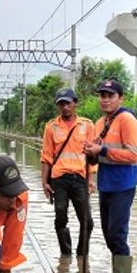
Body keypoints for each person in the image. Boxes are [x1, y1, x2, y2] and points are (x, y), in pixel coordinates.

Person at [83, 78, 137, 273]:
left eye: (110, 96)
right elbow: (96, 157)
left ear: (120, 98)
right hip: (105, 184)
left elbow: (133, 155)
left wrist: (103, 150)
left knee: (117, 234)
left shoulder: (127, 120)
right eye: (102, 96)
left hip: (123, 185)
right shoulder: (100, 123)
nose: (105, 100)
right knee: (108, 234)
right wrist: (91, 153)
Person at [40, 87, 96, 258]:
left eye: (68, 103)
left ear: (75, 103)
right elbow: (46, 156)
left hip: (80, 178)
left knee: (87, 221)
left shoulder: (87, 125)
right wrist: (44, 183)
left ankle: (82, 254)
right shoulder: (51, 127)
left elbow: (92, 155)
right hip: (59, 179)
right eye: (61, 104)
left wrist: (91, 179)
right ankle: (66, 254)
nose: (65, 107)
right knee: (60, 216)